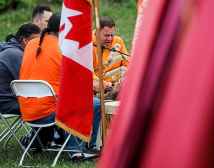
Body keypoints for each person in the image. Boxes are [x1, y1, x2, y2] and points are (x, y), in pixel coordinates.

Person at [19, 13, 100, 160]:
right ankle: (81, 149)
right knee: (95, 103)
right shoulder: (62, 49)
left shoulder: (31, 43)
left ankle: (59, 143)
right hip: (48, 111)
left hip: (26, 109)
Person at [0, 23, 40, 115]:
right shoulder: (16, 54)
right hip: (6, 103)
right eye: (36, 41)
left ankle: (43, 129)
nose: (38, 45)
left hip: (7, 100)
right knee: (44, 107)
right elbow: (29, 85)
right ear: (25, 40)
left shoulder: (11, 50)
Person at [93, 16, 129, 100]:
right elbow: (90, 76)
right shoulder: (88, 44)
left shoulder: (118, 41)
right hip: (99, 88)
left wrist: (124, 80)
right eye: (106, 35)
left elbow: (127, 64)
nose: (110, 38)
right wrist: (109, 86)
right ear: (97, 32)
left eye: (112, 35)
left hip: (116, 84)